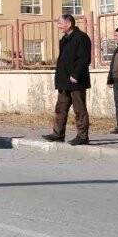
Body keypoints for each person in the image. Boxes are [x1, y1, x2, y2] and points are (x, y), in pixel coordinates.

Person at [45, 14, 92, 145]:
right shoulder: (65, 39)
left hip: (76, 81)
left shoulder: (81, 37)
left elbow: (84, 59)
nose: (58, 26)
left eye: (60, 23)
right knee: (61, 108)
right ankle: (58, 134)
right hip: (64, 80)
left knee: (79, 109)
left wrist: (75, 75)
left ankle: (82, 137)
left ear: (69, 23)